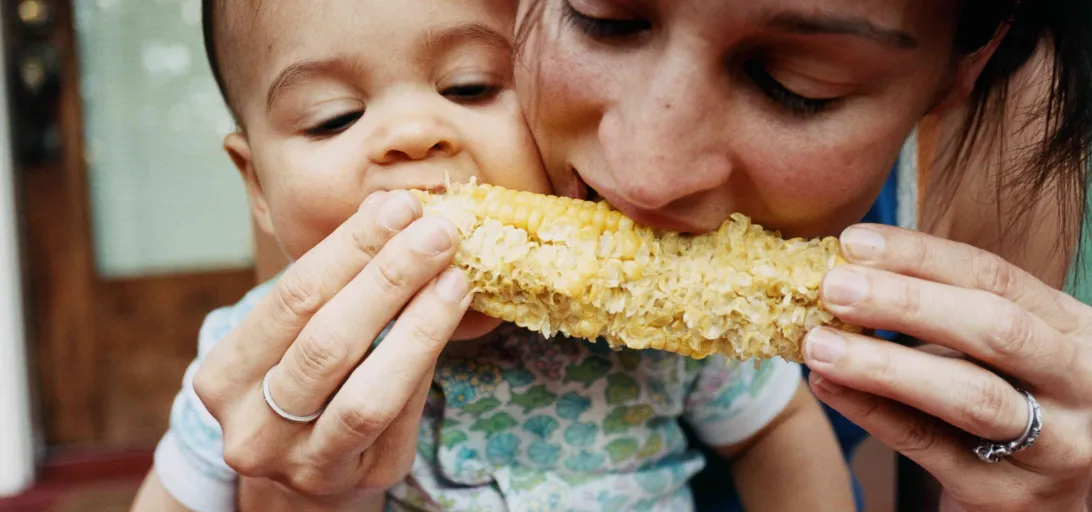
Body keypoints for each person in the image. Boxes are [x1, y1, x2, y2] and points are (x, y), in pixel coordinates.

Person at [135, 0, 1092, 510]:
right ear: (252, 183)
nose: (647, 176)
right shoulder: (246, 365)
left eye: (471, 87)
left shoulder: (670, 353)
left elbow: (782, 442)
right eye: (604, 20)